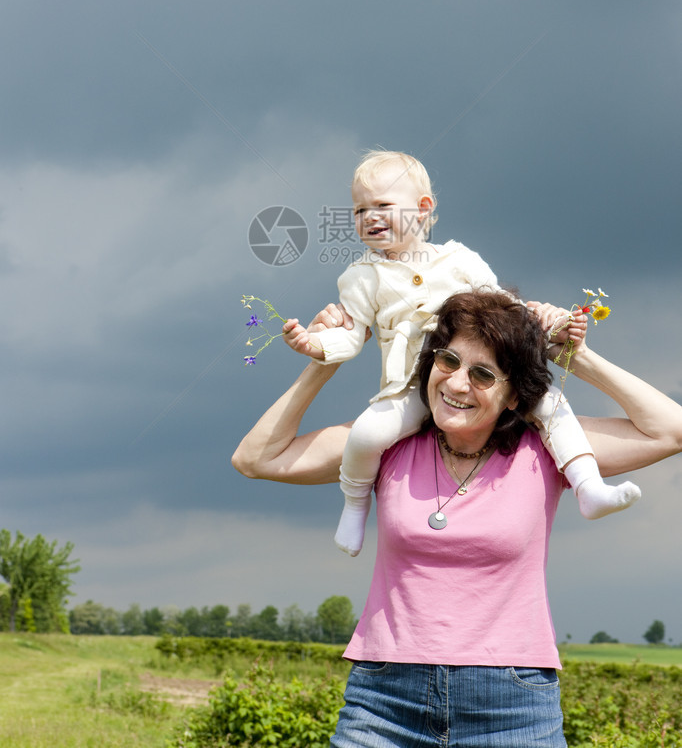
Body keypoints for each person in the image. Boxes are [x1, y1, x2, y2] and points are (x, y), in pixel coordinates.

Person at [232, 291, 682, 748]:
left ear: (513, 397)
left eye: (483, 374)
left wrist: (575, 356)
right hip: (385, 700)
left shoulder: (545, 448)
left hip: (512, 703)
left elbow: (672, 429)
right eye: (448, 361)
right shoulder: (389, 444)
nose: (457, 384)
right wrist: (327, 355)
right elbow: (255, 459)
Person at [284, 149, 639, 556]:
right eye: (359, 210)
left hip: (475, 378)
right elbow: (351, 336)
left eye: (382, 205)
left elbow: (505, 307)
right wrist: (315, 345)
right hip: (411, 386)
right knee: (367, 434)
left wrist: (552, 322)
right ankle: (354, 504)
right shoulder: (360, 277)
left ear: (422, 209)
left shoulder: (459, 259)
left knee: (550, 404)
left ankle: (588, 485)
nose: (369, 217)